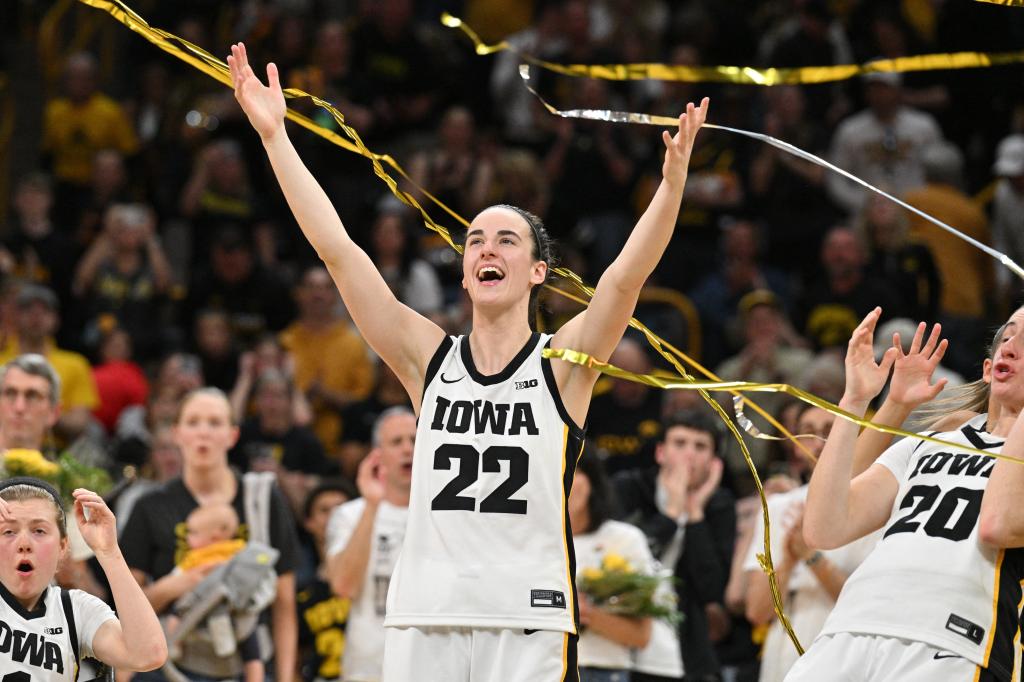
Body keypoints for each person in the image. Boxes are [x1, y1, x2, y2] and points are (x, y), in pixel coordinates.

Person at [228, 41, 708, 681]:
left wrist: (671, 186)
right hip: (427, 612)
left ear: (538, 271)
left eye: (506, 239)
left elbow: (624, 281)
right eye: (475, 238)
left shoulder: (564, 365)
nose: (487, 247)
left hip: (529, 615)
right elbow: (338, 251)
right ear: (463, 271)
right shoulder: (427, 357)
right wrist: (275, 138)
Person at [788, 307, 1023, 681]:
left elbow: (996, 525)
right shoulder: (932, 442)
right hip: (849, 626)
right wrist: (862, 401)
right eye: (1007, 337)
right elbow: (823, 526)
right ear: (985, 367)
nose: (1011, 348)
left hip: (951, 642)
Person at [120, 387, 301, 682]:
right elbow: (128, 608)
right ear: (177, 433)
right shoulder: (150, 506)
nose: (203, 432)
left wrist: (284, 677)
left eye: (215, 423)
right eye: (193, 422)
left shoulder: (262, 498)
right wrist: (178, 584)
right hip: (174, 662)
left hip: (247, 662)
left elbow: (284, 602)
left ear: (232, 435)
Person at [0, 476, 167, 677]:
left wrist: (109, 552)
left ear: (62, 547)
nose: (24, 543)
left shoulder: (77, 608)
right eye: (9, 531)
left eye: (39, 531)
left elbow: (148, 655)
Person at [614, 410, 737, 682]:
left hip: (685, 645)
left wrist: (694, 514)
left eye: (700, 446)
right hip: (622, 632)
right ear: (660, 452)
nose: (689, 454)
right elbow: (620, 565)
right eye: (679, 444)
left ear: (714, 463)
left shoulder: (719, 504)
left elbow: (713, 589)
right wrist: (670, 515)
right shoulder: (629, 488)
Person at [325, 407, 416, 682]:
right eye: (397, 442)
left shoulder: (444, 515)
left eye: (414, 440)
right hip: (366, 670)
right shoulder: (349, 515)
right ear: (378, 454)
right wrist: (373, 506)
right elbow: (342, 585)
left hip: (428, 667)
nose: (408, 449)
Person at [571, 451, 654, 681]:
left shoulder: (624, 540)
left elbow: (641, 636)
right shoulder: (529, 539)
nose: (564, 479)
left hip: (602, 671)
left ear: (593, 480)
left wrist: (585, 613)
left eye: (575, 471)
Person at [297, 480, 354, 682]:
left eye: (341, 509)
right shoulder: (300, 589)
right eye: (324, 510)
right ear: (309, 522)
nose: (334, 516)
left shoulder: (380, 578)